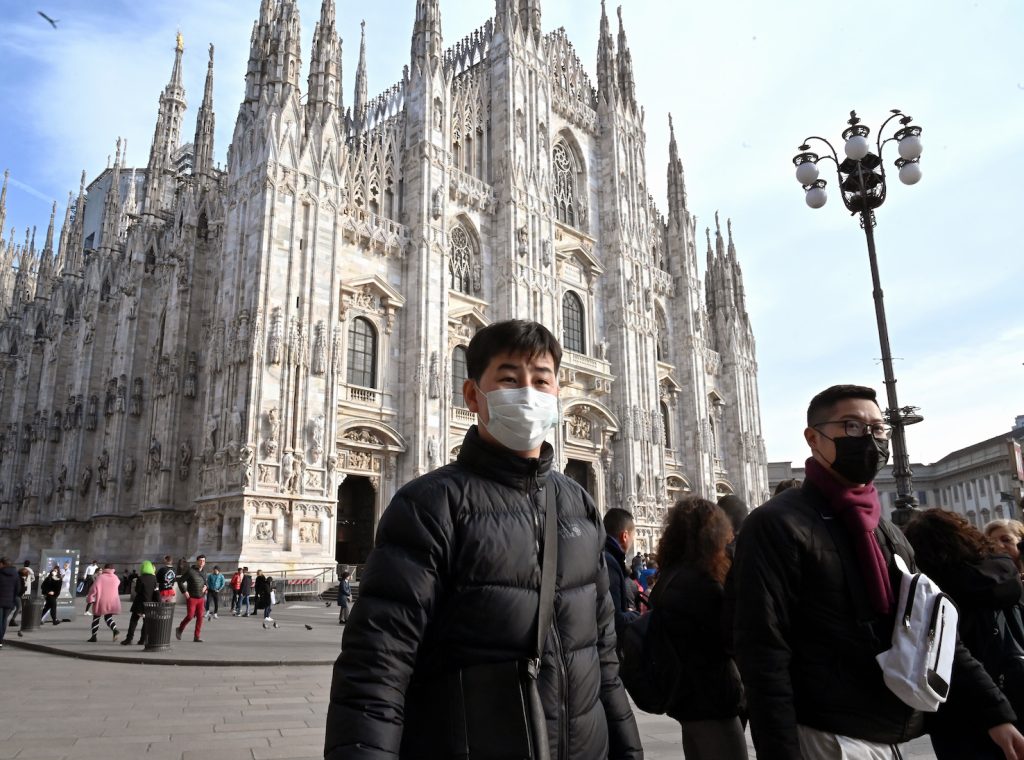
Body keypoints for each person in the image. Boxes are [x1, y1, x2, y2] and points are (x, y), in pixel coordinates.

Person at [325, 320, 642, 759]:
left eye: (540, 380)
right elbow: (377, 669)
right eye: (509, 380)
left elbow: (602, 660)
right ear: (473, 395)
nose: (527, 393)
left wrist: (628, 750)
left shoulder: (580, 507)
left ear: (556, 397)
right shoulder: (428, 506)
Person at [732, 384, 1024, 760]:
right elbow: (762, 649)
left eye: (878, 428)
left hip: (886, 728)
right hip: (825, 733)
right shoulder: (776, 524)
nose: (869, 439)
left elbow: (932, 630)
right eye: (851, 427)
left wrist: (995, 713)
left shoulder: (886, 533)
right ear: (814, 438)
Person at [906, 509, 1024, 758]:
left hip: (958, 712)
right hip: (1012, 694)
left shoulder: (932, 593)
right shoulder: (1005, 577)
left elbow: (954, 657)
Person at [655, 496, 747, 760]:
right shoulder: (704, 585)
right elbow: (729, 639)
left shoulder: (668, 579)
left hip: (685, 700)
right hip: (713, 700)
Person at [603, 507, 640, 639]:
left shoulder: (599, 553)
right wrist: (637, 615)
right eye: (632, 537)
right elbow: (615, 619)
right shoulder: (611, 563)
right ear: (625, 536)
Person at [122, 561, 158, 646]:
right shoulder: (154, 578)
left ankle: (129, 639)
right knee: (146, 622)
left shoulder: (140, 578)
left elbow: (137, 590)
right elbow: (155, 591)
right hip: (149, 603)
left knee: (133, 621)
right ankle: (143, 640)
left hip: (139, 603)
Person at [175, 555, 207, 642]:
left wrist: (205, 587)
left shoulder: (204, 572)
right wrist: (184, 592)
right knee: (190, 616)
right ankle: (180, 628)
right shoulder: (190, 571)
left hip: (201, 598)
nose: (201, 562)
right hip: (192, 598)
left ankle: (197, 636)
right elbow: (180, 581)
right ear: (197, 561)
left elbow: (205, 583)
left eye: (203, 561)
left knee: (200, 617)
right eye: (200, 561)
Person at [86, 564, 121, 642]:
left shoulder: (100, 577)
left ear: (105, 569)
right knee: (108, 617)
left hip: (100, 600)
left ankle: (94, 637)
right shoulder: (115, 578)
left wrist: (90, 598)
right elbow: (118, 584)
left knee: (96, 618)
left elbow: (93, 589)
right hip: (112, 601)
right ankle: (115, 630)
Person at [0, 558, 18, 648]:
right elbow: (17, 589)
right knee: (4, 622)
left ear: (2, 564)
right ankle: (0, 642)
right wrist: (13, 600)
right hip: (9, 602)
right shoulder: (15, 574)